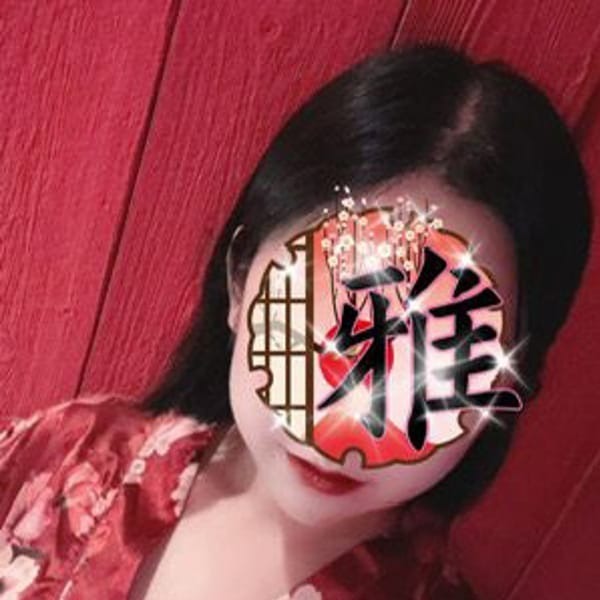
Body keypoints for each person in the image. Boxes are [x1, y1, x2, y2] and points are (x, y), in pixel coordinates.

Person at [0, 43, 591, 600]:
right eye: (324, 322)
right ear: (240, 279)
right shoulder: (71, 450)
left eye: (434, 363)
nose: (344, 422)